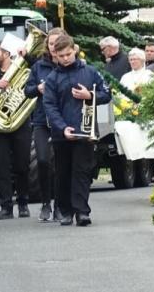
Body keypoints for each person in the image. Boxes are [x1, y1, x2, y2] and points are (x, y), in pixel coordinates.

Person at [43, 34, 111, 227]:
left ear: (75, 50)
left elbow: (106, 94)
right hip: (62, 134)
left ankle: (82, 211)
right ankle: (65, 211)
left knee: (82, 172)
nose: (65, 58)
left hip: (85, 131)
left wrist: (89, 95)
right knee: (63, 173)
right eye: (61, 55)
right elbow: (50, 106)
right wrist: (63, 128)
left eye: (68, 54)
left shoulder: (90, 72)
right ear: (55, 55)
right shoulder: (52, 78)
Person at [0, 41, 32, 220]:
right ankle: (6, 207)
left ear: (6, 53)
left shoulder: (23, 73)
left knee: (22, 165)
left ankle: (23, 204)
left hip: (21, 125)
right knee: (2, 167)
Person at [24, 27, 66, 222]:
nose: (54, 48)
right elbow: (28, 91)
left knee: (60, 164)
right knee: (42, 160)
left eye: (58, 44)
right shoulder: (38, 67)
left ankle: (59, 204)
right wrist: (38, 88)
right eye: (51, 44)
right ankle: (45, 203)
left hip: (62, 120)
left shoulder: (68, 65)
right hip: (41, 120)